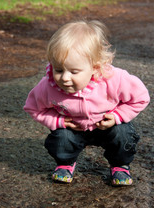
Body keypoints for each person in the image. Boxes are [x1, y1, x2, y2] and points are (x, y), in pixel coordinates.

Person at [24, 20, 150, 186]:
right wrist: (57, 121)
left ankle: (120, 165)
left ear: (95, 67)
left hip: (108, 126)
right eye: (59, 70)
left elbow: (141, 97)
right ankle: (65, 162)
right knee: (61, 137)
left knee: (123, 135)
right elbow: (33, 108)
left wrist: (118, 116)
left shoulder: (114, 79)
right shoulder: (48, 87)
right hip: (73, 129)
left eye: (74, 71)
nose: (65, 78)